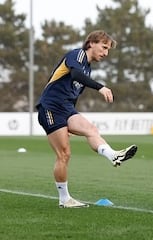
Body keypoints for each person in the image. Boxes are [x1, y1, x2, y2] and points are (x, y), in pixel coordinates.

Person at [36, 30, 138, 208]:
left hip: (66, 109)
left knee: (91, 130)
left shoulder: (87, 68)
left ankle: (114, 155)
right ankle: (64, 199)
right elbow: (75, 75)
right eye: (104, 47)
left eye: (108, 50)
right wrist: (101, 88)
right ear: (91, 43)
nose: (106, 53)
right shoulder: (77, 55)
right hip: (50, 108)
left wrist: (70, 123)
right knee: (64, 155)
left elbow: (74, 94)